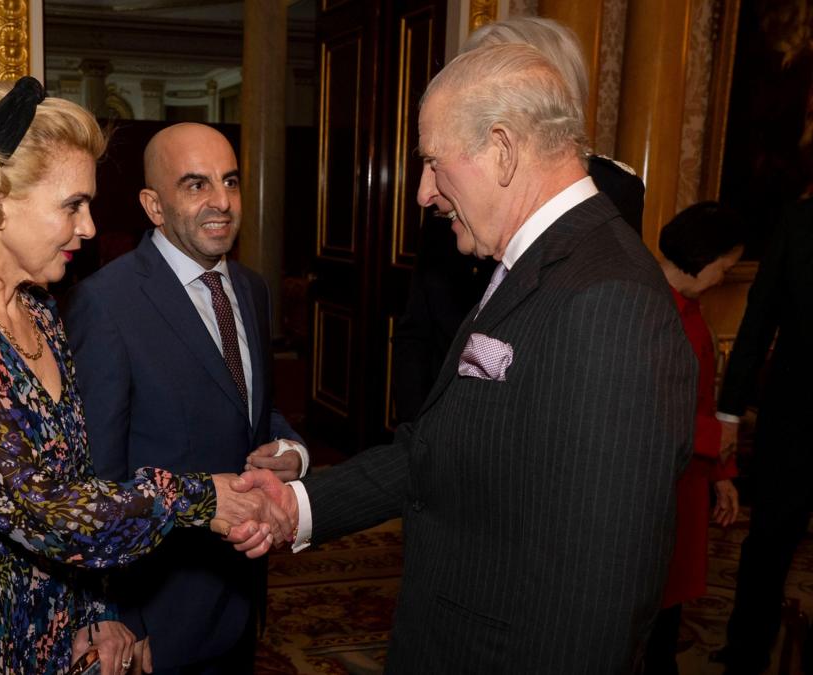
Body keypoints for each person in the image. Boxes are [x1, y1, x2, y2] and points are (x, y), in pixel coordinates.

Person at [229, 43, 696, 673]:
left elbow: (600, 593)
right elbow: (442, 450)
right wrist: (298, 506)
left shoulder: (607, 299)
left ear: (502, 149)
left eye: (432, 163)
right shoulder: (530, 264)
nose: (423, 192)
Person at [0, 78, 284, 675]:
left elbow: (82, 473)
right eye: (72, 205)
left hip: (56, 621)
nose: (90, 228)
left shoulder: (38, 311)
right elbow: (45, 509)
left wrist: (96, 609)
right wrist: (199, 498)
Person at [64, 122, 307, 674]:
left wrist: (292, 450)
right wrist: (120, 615)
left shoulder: (252, 289)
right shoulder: (105, 304)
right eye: (196, 185)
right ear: (153, 205)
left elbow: (249, 410)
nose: (221, 202)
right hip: (158, 611)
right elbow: (97, 475)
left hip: (243, 588)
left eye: (231, 181)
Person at [391, 15, 644, 422]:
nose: (427, 193)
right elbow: (416, 331)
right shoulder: (448, 191)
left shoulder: (607, 197)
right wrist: (418, 440)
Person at [642, 202, 744, 674]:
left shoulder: (693, 311)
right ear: (704, 256)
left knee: (667, 608)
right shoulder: (643, 306)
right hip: (648, 488)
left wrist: (721, 475)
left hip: (686, 480)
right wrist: (712, 439)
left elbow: (702, 398)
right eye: (725, 265)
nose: (725, 276)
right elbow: (636, 407)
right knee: (641, 610)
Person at [715, 198, 813, 675]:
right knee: (768, 546)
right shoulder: (797, 221)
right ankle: (745, 656)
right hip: (792, 425)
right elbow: (758, 321)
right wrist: (729, 411)